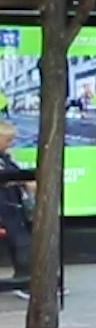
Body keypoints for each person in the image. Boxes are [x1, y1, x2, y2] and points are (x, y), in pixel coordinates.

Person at [0, 119, 33, 295]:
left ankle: (24, 277)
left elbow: (16, 172)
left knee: (21, 241)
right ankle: (24, 280)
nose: (10, 144)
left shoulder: (5, 158)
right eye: (7, 140)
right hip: (5, 207)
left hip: (11, 205)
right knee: (20, 242)